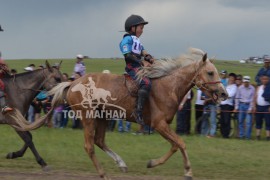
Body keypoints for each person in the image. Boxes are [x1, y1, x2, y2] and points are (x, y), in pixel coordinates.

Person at [119, 14, 155, 125]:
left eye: (142, 28)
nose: (142, 31)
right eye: (141, 28)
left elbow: (144, 52)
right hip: (132, 67)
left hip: (139, 66)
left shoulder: (137, 40)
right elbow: (128, 56)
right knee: (146, 83)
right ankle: (138, 112)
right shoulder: (127, 40)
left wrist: (150, 58)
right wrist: (142, 62)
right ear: (132, 28)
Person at [220, 73, 237, 138]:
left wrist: (224, 95)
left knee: (227, 120)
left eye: (232, 78)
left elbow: (229, 95)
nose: (231, 79)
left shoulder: (234, 87)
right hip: (222, 104)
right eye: (230, 78)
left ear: (234, 80)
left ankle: (226, 135)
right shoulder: (226, 86)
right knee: (222, 120)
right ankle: (223, 133)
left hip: (228, 105)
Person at [253, 73, 270, 141]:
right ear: (261, 79)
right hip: (259, 107)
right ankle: (258, 136)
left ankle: (268, 137)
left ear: (268, 80)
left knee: (268, 122)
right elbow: (255, 97)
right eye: (263, 79)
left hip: (267, 107)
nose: (264, 80)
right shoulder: (259, 87)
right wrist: (254, 106)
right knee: (258, 122)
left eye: (266, 79)